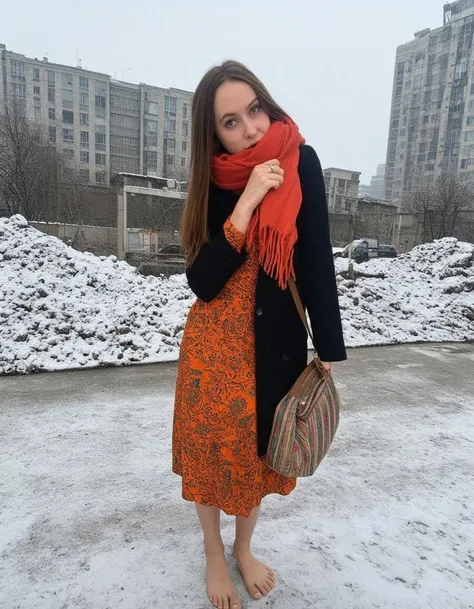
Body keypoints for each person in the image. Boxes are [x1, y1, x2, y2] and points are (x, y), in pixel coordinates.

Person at [172, 60, 347, 609]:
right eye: (231, 120)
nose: (250, 127)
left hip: (275, 344)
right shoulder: (213, 181)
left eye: (255, 109)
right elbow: (201, 280)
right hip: (212, 349)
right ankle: (211, 552)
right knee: (208, 455)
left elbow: (316, 257)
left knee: (259, 457)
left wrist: (329, 344)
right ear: (214, 134)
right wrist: (246, 201)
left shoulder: (302, 161)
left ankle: (243, 548)